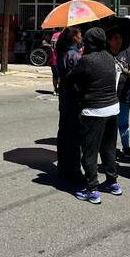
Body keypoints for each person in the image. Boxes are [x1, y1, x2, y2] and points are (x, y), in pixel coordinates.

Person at [64, 27, 121, 204]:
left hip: (94, 110)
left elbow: (69, 79)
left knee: (90, 151)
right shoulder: (109, 57)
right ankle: (112, 182)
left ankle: (92, 189)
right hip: (113, 108)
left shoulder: (86, 60)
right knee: (109, 148)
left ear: (89, 43)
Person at [56, 27, 83, 183]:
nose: (81, 37)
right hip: (73, 98)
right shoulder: (73, 56)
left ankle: (63, 165)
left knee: (64, 131)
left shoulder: (62, 52)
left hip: (64, 97)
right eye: (79, 35)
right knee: (74, 135)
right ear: (74, 37)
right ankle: (73, 169)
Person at [107, 27, 130, 158]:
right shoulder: (106, 53)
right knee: (110, 123)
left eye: (120, 38)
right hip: (109, 94)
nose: (118, 40)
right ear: (109, 40)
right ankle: (110, 147)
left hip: (124, 92)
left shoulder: (127, 50)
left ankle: (126, 146)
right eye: (115, 38)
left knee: (123, 122)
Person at [49, 30, 62, 96]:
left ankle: (55, 89)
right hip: (60, 59)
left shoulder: (54, 35)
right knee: (60, 76)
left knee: (54, 75)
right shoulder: (62, 36)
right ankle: (59, 89)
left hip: (53, 58)